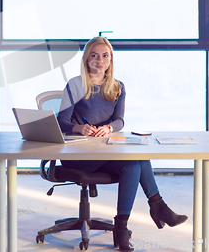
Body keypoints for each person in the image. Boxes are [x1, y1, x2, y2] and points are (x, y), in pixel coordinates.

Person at [57, 36, 187, 251]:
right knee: (137, 158)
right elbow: (60, 121)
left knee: (134, 163)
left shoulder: (117, 87)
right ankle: (157, 207)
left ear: (111, 60)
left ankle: (121, 228)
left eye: (105, 56)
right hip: (79, 155)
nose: (100, 61)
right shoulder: (76, 84)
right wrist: (79, 128)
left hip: (103, 151)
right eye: (94, 56)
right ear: (86, 59)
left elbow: (119, 121)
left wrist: (109, 128)